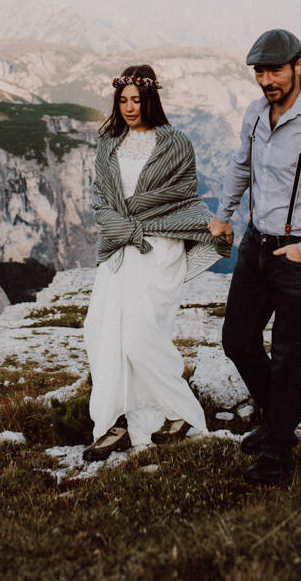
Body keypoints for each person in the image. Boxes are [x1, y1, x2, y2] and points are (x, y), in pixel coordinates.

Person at [208, 29, 301, 485]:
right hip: (255, 244)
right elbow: (240, 166)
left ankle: (277, 454)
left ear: (299, 67)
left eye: (275, 70)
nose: (267, 80)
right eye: (260, 71)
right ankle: (277, 421)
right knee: (237, 340)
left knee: (288, 354)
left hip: (296, 254)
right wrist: (224, 214)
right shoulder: (255, 114)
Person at [82, 64, 231, 462]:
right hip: (119, 246)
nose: (130, 108)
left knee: (140, 336)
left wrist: (209, 228)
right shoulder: (108, 143)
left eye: (137, 100)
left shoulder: (176, 144)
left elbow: (183, 195)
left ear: (151, 99)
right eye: (123, 100)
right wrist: (122, 225)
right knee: (100, 330)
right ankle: (115, 422)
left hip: (158, 248)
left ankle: (181, 412)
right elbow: (100, 199)